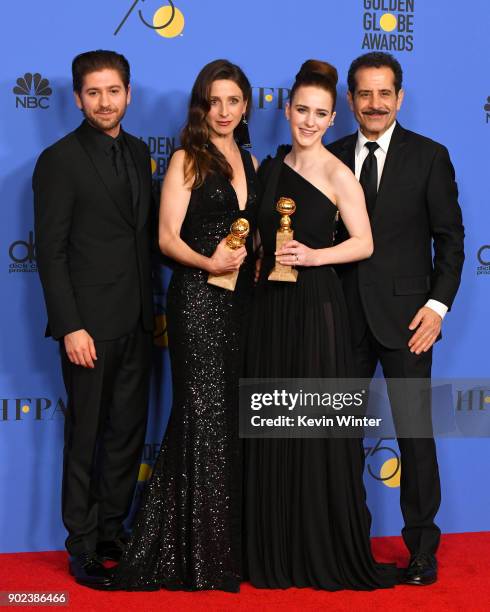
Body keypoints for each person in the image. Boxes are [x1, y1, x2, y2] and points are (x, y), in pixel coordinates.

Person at [243, 60, 399, 590]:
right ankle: (274, 546)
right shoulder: (268, 170)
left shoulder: (339, 173)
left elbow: (365, 243)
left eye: (321, 113)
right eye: (301, 110)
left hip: (315, 309)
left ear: (334, 118)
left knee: (310, 432)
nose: (309, 121)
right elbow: (262, 239)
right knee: (270, 429)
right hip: (269, 310)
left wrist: (315, 256)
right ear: (286, 110)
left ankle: (316, 547)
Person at [108, 59, 258, 592]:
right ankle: (181, 551)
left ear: (245, 106)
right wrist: (208, 263)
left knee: (225, 420)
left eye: (233, 101)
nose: (222, 111)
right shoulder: (185, 160)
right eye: (213, 101)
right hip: (196, 300)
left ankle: (218, 549)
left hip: (240, 305)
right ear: (201, 106)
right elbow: (167, 238)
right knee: (200, 416)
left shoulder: (251, 160)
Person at [328, 51, 464, 586]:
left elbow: (450, 243)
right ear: (350, 100)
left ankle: (422, 548)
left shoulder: (430, 157)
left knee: (414, 435)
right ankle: (345, 543)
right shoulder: (330, 155)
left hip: (410, 322)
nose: (375, 103)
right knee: (338, 437)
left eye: (385, 93)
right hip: (341, 319)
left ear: (399, 98)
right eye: (364, 93)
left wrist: (436, 307)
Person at [33, 50, 154, 588]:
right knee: (85, 438)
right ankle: (80, 545)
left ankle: (111, 531)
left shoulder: (138, 154)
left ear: (129, 93)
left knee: (127, 434)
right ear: (78, 98)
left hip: (137, 322)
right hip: (88, 327)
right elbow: (51, 252)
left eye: (113, 91)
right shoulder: (58, 160)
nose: (104, 102)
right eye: (93, 93)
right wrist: (70, 325)